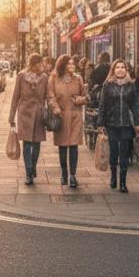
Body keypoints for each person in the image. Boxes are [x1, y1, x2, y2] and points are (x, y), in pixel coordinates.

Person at [97, 58, 139, 193]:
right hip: (111, 122)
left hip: (126, 124)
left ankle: (123, 182)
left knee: (124, 152)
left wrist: (137, 122)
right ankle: (113, 176)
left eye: (123, 67)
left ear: (126, 70)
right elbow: (102, 105)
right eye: (117, 67)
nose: (120, 69)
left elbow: (135, 105)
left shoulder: (131, 85)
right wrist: (100, 123)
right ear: (113, 70)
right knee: (113, 152)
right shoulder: (108, 85)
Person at [47, 54, 88, 188]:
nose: (71, 66)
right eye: (68, 64)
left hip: (75, 115)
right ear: (62, 65)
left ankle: (72, 176)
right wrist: (56, 109)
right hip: (61, 116)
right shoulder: (53, 79)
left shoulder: (78, 78)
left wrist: (79, 100)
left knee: (74, 146)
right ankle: (64, 173)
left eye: (72, 64)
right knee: (63, 146)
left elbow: (85, 96)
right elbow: (50, 97)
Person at [9, 53, 49, 185]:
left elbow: (49, 96)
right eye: (39, 63)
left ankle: (32, 167)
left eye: (41, 63)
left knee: (37, 144)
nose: (41, 65)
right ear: (33, 65)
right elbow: (15, 97)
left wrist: (53, 111)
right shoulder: (21, 76)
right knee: (26, 144)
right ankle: (28, 173)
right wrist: (11, 115)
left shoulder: (44, 78)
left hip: (38, 114)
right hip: (24, 113)